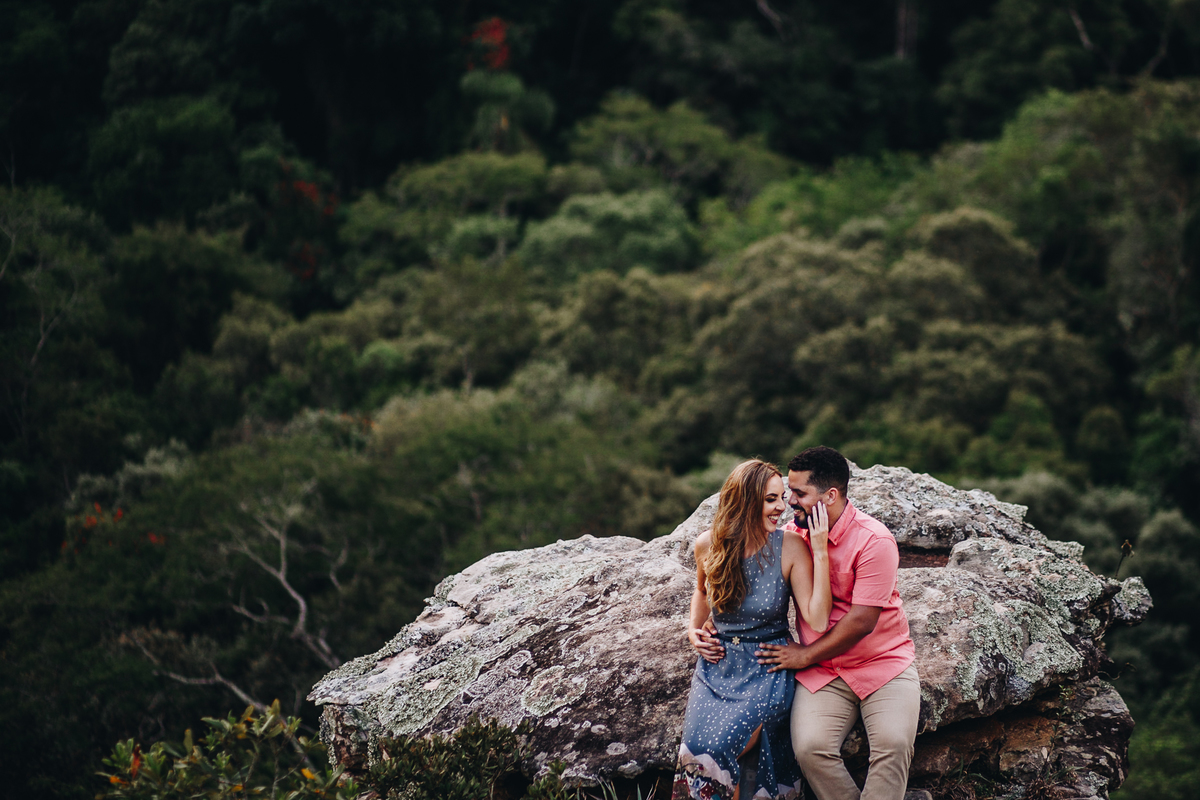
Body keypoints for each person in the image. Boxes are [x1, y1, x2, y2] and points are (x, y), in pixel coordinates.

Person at [756, 446, 920, 800]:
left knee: (893, 745)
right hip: (825, 671)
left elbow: (862, 620)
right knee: (811, 749)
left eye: (799, 494)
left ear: (830, 495)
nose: (790, 502)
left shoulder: (874, 540)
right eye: (789, 493)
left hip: (882, 664)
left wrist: (804, 655)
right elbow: (754, 589)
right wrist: (710, 623)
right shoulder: (790, 536)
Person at [673, 459, 832, 800]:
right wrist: (693, 631)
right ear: (744, 502)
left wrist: (820, 552)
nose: (781, 507)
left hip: (768, 664)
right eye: (770, 500)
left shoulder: (790, 547)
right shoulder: (708, 544)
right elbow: (702, 591)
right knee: (698, 749)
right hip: (717, 666)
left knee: (726, 744)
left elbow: (817, 620)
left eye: (782, 497)